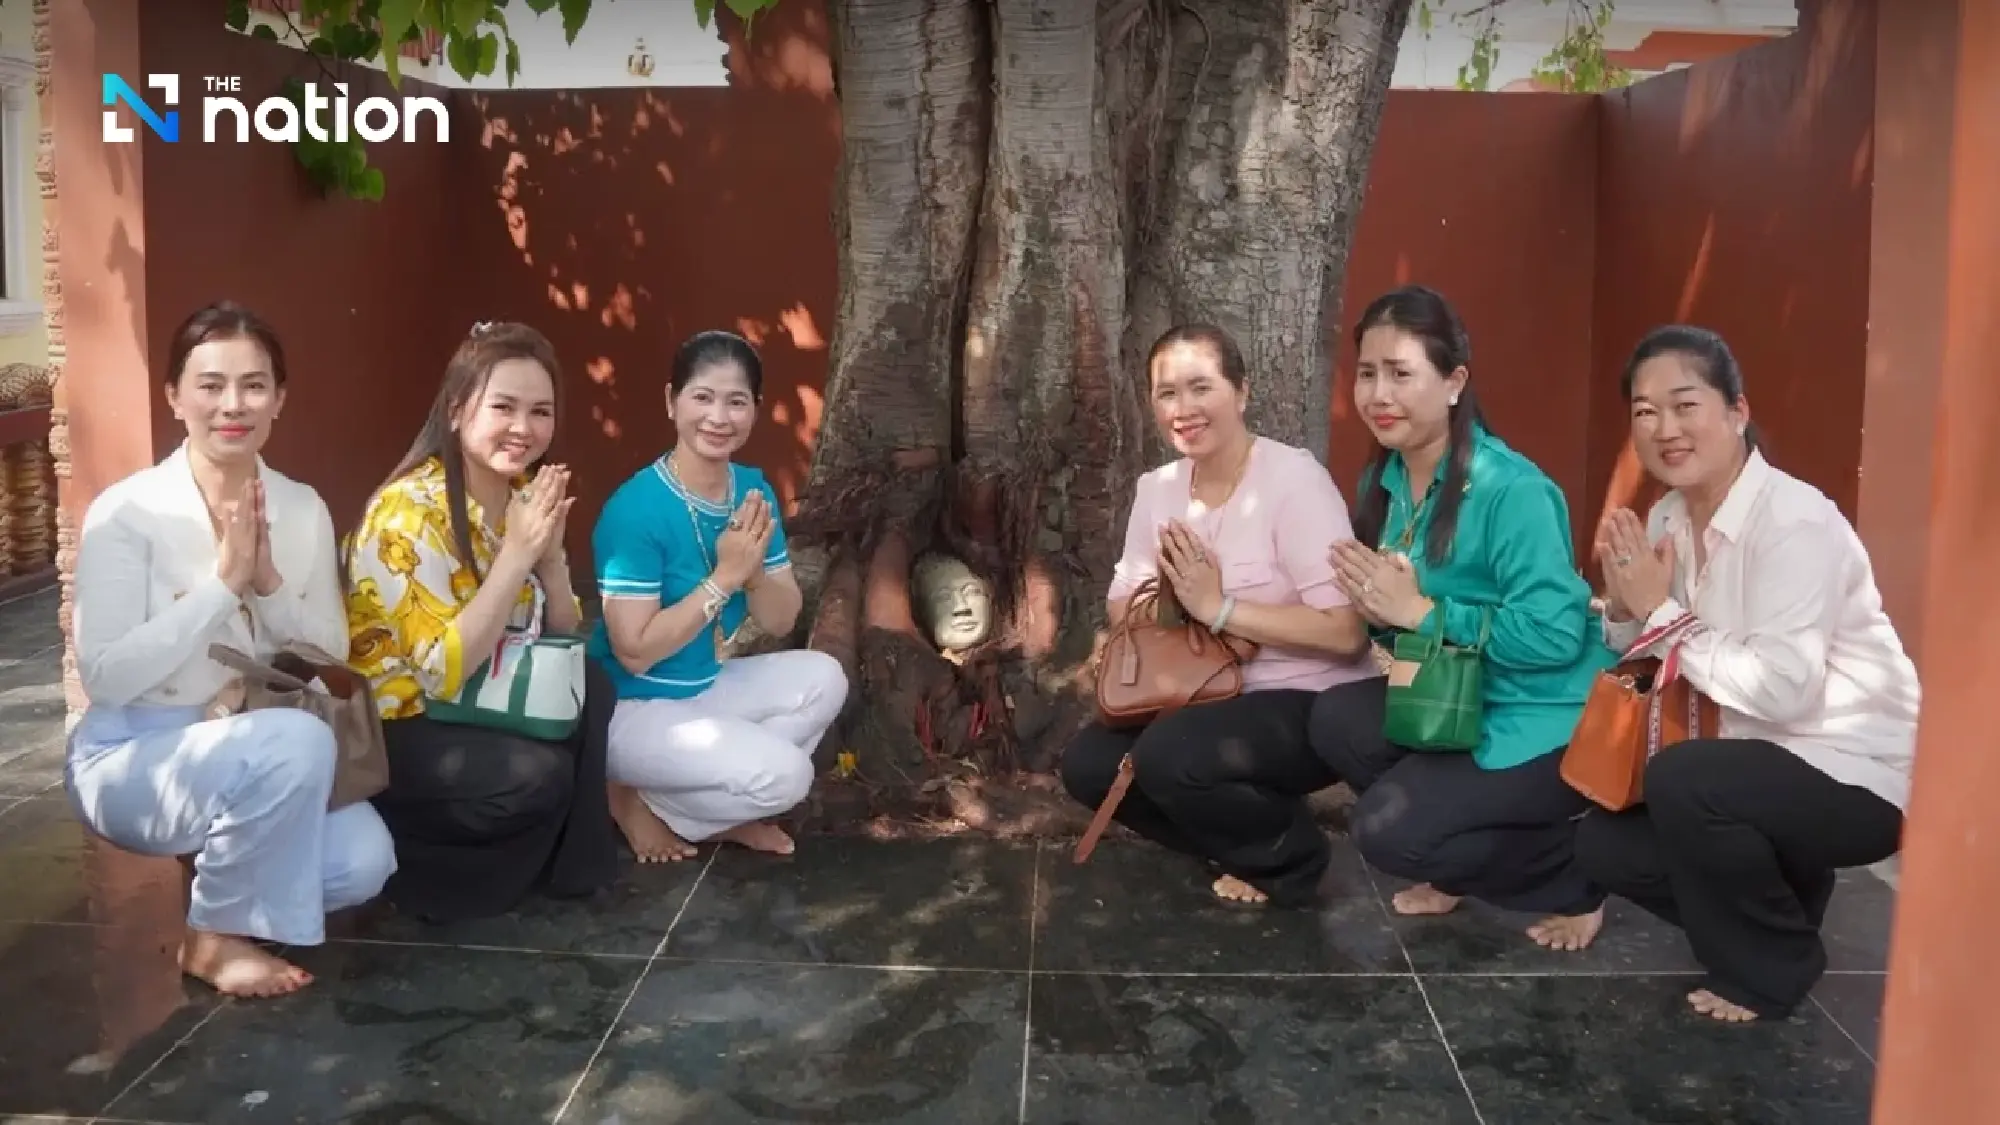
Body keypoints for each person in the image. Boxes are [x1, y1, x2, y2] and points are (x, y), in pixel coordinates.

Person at [1580, 325, 1917, 1023]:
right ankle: (1784, 905)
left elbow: (1782, 689)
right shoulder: (1669, 514)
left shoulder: (1795, 522)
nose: (1665, 429)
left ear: (1737, 412)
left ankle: (1773, 967)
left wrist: (1659, 610)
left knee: (1686, 779)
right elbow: (1655, 644)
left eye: (1685, 405)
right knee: (1602, 844)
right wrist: (1624, 609)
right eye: (1645, 412)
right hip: (1752, 764)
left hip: (1857, 773)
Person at [66, 301, 396, 998]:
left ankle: (227, 863)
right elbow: (106, 675)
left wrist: (268, 584)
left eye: (253, 385)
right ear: (174, 396)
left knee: (364, 861)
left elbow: (331, 656)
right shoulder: (128, 512)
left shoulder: (300, 507)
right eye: (210, 385)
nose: (232, 405)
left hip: (258, 741)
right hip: (135, 753)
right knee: (294, 742)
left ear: (279, 398)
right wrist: (221, 587)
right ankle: (213, 934)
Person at [1309, 284, 1611, 950]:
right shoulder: (1383, 482)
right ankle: (1455, 854)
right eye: (1367, 373)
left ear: (1454, 383)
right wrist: (1378, 606)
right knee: (1335, 720)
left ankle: (1575, 875)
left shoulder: (1514, 490)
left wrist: (1422, 610)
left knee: (1386, 831)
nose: (1378, 394)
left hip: (1545, 717)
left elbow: (1555, 635)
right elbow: (1404, 624)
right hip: (1456, 696)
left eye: (1400, 373)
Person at [1059, 324, 1380, 907]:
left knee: (1170, 754)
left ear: (1242, 392)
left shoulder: (1293, 482)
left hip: (1308, 699)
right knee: (1090, 765)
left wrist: (1219, 608)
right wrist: (1175, 600)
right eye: (1166, 393)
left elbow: (1347, 633)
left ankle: (1290, 859)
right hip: (1199, 695)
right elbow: (1121, 602)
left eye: (1201, 387)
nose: (1183, 409)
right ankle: (1240, 842)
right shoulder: (1157, 489)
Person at [344, 321, 620, 922]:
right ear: (456, 409)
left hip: (478, 694)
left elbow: (564, 638)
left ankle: (572, 868)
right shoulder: (407, 515)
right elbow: (440, 673)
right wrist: (517, 555)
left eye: (540, 412)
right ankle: (424, 872)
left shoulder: (522, 493)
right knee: (535, 776)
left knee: (592, 685)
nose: (523, 428)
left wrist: (550, 563)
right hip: (401, 721)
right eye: (504, 407)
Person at [589, 330, 846, 861]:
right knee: (788, 776)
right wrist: (724, 578)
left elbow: (780, 620)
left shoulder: (751, 491)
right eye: (702, 397)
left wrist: (752, 575)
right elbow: (634, 653)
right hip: (630, 707)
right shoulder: (635, 511)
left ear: (755, 409)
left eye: (736, 402)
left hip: (701, 687)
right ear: (671, 401)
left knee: (825, 677)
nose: (718, 417)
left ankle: (697, 814)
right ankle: (629, 797)